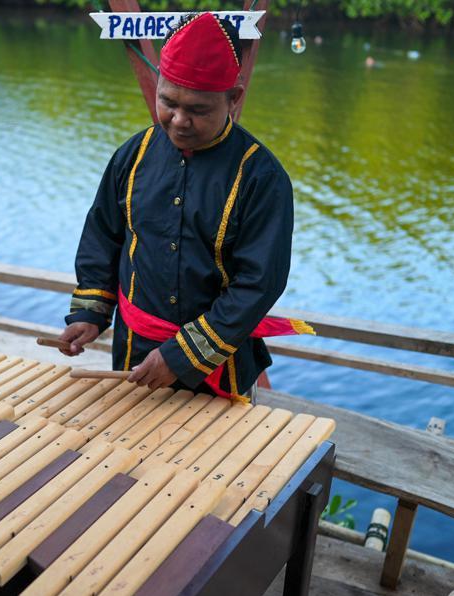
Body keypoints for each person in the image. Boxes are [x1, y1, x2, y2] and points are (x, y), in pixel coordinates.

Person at [58, 12, 308, 402]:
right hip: (131, 355)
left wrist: (180, 356)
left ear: (233, 98)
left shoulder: (262, 177)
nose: (178, 120)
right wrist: (90, 313)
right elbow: (103, 235)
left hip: (216, 366)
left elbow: (258, 284)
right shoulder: (132, 155)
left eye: (198, 109)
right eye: (167, 101)